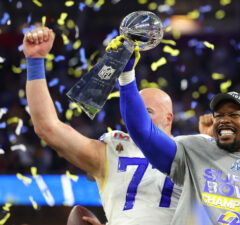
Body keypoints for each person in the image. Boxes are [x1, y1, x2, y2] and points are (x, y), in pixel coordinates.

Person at [116, 52, 240, 223]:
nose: (224, 120)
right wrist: (126, 76)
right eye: (219, 116)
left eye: (234, 115)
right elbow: (142, 132)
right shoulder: (195, 150)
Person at [23, 27, 181, 225]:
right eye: (136, 111)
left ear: (169, 118)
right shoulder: (115, 151)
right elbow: (48, 127)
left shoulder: (190, 152)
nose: (138, 117)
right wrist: (35, 61)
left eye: (147, 112)